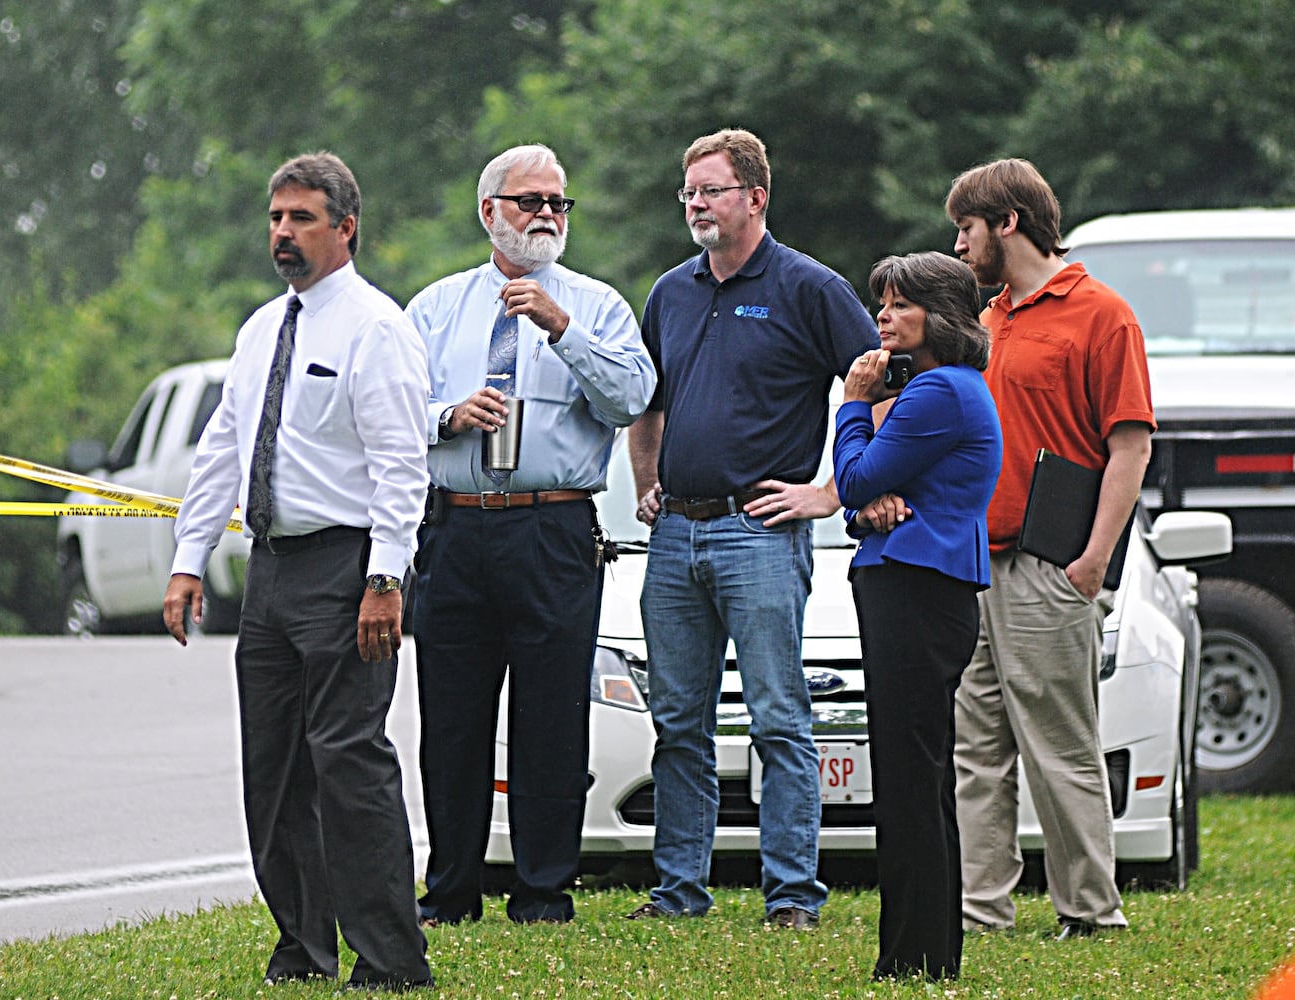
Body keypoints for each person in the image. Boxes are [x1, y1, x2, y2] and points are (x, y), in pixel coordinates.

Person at [163, 152, 434, 990]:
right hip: (273, 574)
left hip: (349, 570)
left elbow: (401, 460)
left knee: (347, 761)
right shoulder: (258, 330)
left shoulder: (376, 327)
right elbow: (221, 453)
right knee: (272, 769)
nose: (283, 232)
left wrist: (385, 576)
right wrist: (187, 559)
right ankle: (303, 945)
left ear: (345, 227)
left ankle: (390, 959)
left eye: (302, 218)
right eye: (277, 217)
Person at [626, 128, 879, 928]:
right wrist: (645, 482)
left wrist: (832, 492)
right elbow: (649, 401)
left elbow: (876, 383)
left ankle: (793, 897)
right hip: (675, 537)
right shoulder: (670, 291)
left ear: (756, 197)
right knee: (678, 724)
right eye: (689, 191)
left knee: (777, 718)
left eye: (712, 190)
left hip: (761, 534)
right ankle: (677, 894)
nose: (696, 203)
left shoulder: (808, 287)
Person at [405, 144, 655, 926]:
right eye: (529, 201)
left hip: (553, 527)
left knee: (551, 718)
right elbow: (383, 417)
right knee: (452, 720)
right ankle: (451, 888)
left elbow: (632, 398)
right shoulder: (436, 308)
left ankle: (543, 889)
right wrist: (447, 417)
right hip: (457, 528)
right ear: (489, 213)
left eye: (558, 202)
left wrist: (563, 329)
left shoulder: (598, 304)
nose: (546, 215)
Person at [946, 158, 1155, 939]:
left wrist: (1093, 559)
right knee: (977, 752)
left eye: (967, 229)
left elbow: (1129, 446)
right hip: (972, 562)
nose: (959, 246)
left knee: (1060, 747)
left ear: (1008, 223)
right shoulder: (988, 320)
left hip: (1048, 565)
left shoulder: (1103, 314)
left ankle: (1092, 912)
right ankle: (979, 913)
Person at [833, 252, 1001, 980]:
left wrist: (852, 403)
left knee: (909, 778)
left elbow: (853, 477)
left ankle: (915, 957)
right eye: (882, 304)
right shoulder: (947, 390)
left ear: (941, 315)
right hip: (922, 583)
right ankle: (924, 952)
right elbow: (870, 495)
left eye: (900, 304)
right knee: (920, 776)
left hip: (916, 589)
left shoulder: (938, 392)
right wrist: (870, 512)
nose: (883, 317)